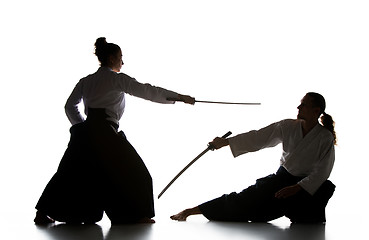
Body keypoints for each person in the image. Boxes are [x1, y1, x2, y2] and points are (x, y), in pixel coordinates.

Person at [34, 37, 195, 225]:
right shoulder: (116, 79)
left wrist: (81, 126)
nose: (122, 62)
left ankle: (43, 214)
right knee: (135, 172)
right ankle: (135, 215)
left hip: (86, 132)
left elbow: (70, 107)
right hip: (104, 132)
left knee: (71, 172)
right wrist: (179, 97)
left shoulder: (86, 81)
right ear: (111, 59)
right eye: (120, 57)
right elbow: (147, 91)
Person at [171, 92, 336, 223]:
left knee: (317, 201)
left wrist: (297, 187)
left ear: (316, 111)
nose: (299, 106)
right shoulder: (288, 125)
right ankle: (191, 211)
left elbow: (322, 171)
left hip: (303, 187)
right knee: (244, 202)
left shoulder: (325, 137)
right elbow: (259, 137)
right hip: (281, 180)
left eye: (304, 104)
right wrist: (226, 142)